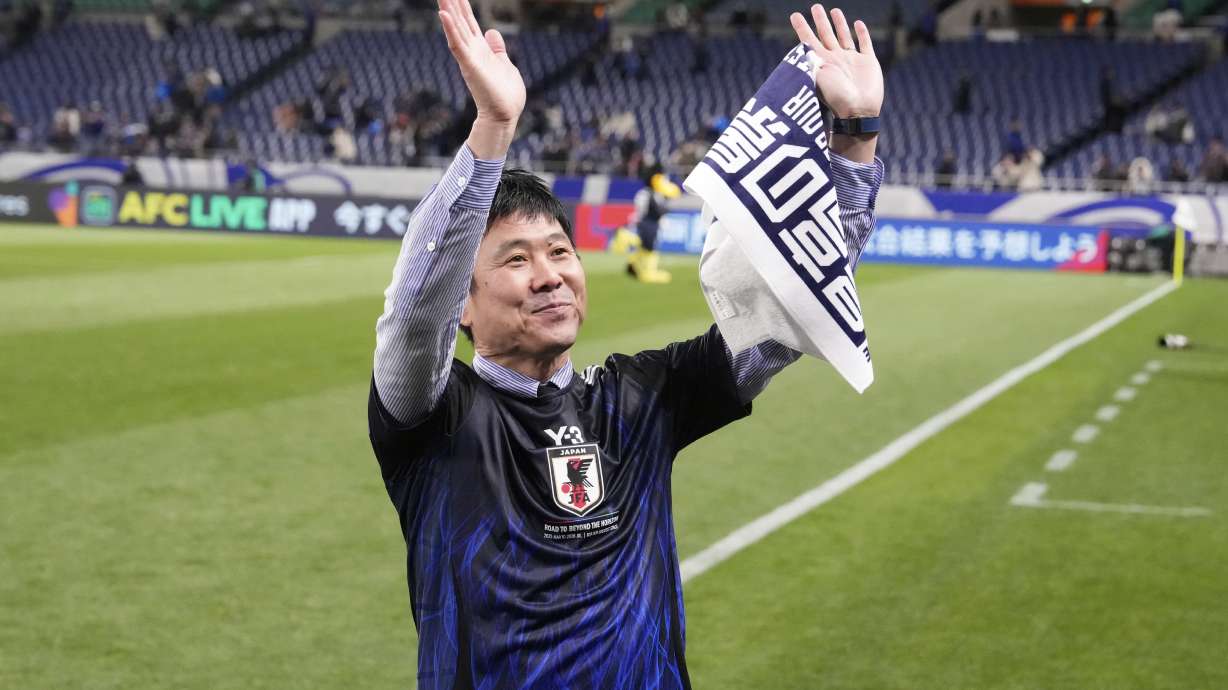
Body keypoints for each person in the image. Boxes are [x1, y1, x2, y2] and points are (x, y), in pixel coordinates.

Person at [367, 1, 885, 687]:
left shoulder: (641, 397)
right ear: (462, 303)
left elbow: (788, 314)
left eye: (559, 251)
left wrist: (853, 141)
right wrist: (493, 130)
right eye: (516, 260)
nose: (550, 275)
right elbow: (411, 318)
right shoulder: (432, 419)